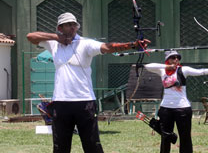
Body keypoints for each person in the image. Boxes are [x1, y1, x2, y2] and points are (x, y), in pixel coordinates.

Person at [26, 12, 150, 153]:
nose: (73, 28)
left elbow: (108, 47)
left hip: (84, 102)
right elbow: (30, 36)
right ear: (60, 28)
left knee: (92, 146)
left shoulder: (85, 43)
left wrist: (132, 45)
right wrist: (57, 38)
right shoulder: (53, 44)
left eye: (74, 25)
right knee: (60, 147)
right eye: (68, 25)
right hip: (61, 102)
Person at [144, 51, 208, 153]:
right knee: (165, 137)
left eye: (178, 58)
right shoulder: (162, 71)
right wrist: (167, 66)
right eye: (173, 58)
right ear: (168, 60)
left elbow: (200, 72)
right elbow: (147, 66)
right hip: (166, 109)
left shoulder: (183, 70)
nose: (176, 60)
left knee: (185, 137)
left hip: (182, 108)